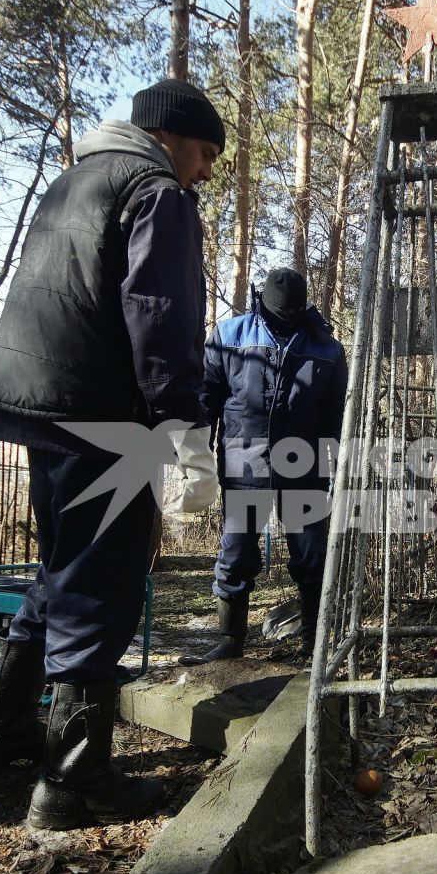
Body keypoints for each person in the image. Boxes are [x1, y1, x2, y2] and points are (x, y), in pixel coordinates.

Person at [0, 78, 224, 830]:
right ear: (170, 136)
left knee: (60, 569)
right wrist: (182, 424)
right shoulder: (154, 191)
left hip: (38, 403)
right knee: (101, 584)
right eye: (205, 153)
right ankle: (74, 781)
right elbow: (159, 313)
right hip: (103, 415)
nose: (205, 171)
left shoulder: (73, 181)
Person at [179, 265, 347, 663]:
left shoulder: (326, 348)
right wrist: (194, 452)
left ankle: (313, 642)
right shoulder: (230, 335)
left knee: (311, 554)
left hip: (303, 465)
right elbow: (208, 396)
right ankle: (230, 639)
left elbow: (335, 415)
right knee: (237, 551)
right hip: (244, 460)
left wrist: (338, 465)